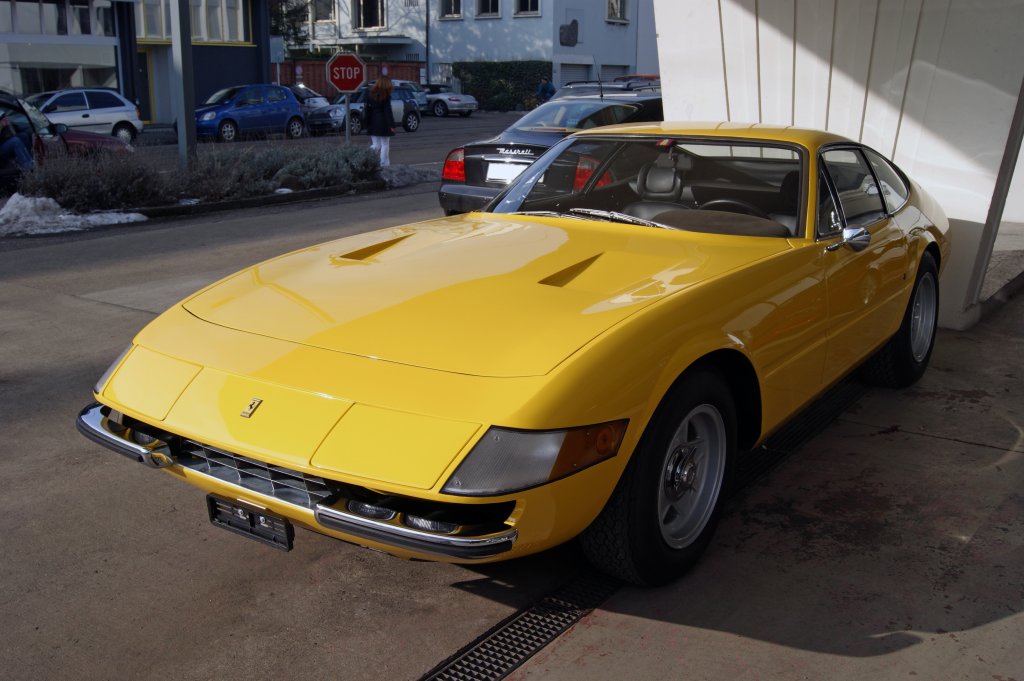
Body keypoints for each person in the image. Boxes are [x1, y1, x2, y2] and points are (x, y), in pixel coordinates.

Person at [366, 76, 395, 168]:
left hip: (373, 121)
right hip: (383, 122)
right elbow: (388, 111)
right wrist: (391, 125)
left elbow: (367, 110)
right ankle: (384, 165)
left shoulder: (370, 94)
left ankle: (364, 156)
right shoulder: (386, 95)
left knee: (376, 145)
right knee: (385, 144)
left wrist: (367, 123)